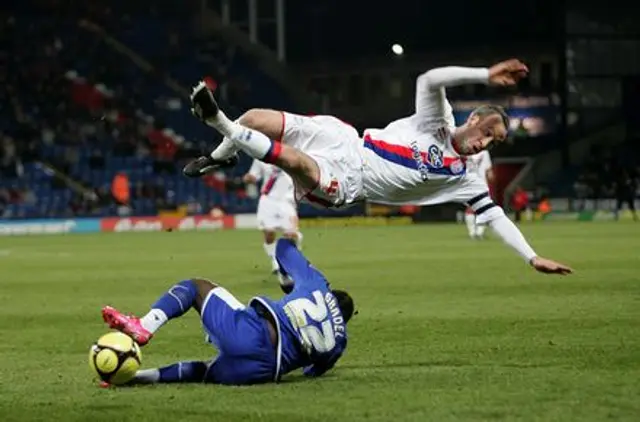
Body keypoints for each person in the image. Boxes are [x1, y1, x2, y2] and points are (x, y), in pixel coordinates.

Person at [184, 59, 572, 275]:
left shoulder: (464, 178)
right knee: (254, 117)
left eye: (494, 143)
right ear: (473, 120)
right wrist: (484, 75)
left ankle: (218, 122)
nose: (485, 144)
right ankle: (221, 155)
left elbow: (496, 216)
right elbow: (429, 78)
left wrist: (531, 255)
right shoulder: (437, 120)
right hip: (346, 139)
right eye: (487, 132)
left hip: (350, 182)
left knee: (292, 159)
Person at [100, 238, 354, 386]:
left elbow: (283, 248)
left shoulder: (317, 285)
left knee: (196, 288)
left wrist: (291, 280)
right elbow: (313, 372)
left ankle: (144, 325)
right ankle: (137, 377)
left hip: (254, 333)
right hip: (263, 371)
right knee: (203, 372)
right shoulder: (340, 343)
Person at [243, 159, 303, 274]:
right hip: (268, 199)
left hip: (287, 198)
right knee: (269, 232)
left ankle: (296, 260)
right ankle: (275, 262)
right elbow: (254, 175)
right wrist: (249, 178)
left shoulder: (293, 150)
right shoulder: (262, 154)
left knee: (291, 233)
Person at [463, 150, 494, 239]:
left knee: (470, 209)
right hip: (482, 184)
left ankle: (472, 233)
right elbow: (489, 173)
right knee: (484, 209)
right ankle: (479, 233)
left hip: (469, 183)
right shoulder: (484, 152)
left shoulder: (466, 151)